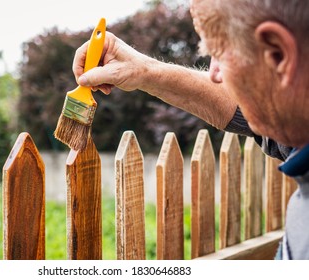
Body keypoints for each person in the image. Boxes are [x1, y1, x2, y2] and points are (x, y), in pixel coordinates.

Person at [72, 0, 309, 259]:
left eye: (218, 51)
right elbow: (248, 105)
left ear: (278, 53)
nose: (214, 74)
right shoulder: (298, 127)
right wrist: (144, 72)